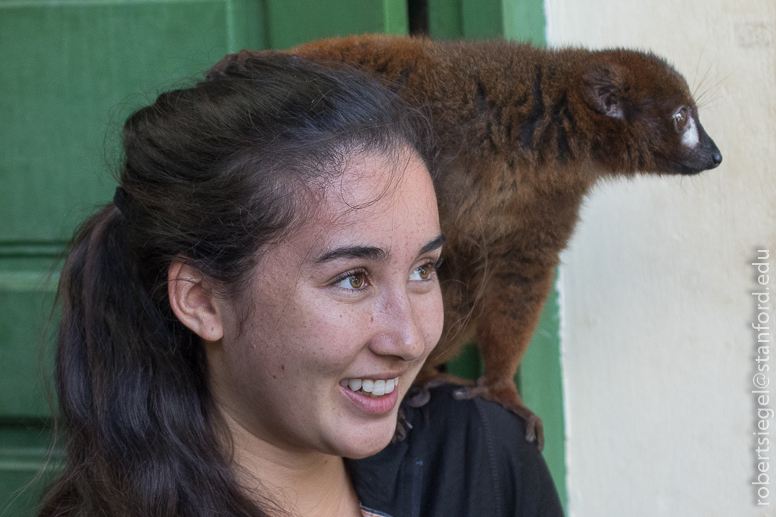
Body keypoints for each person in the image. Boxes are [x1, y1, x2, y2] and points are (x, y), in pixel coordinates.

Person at [39, 52, 563, 517]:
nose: (409, 341)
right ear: (201, 301)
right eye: (353, 279)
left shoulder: (483, 460)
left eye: (424, 269)